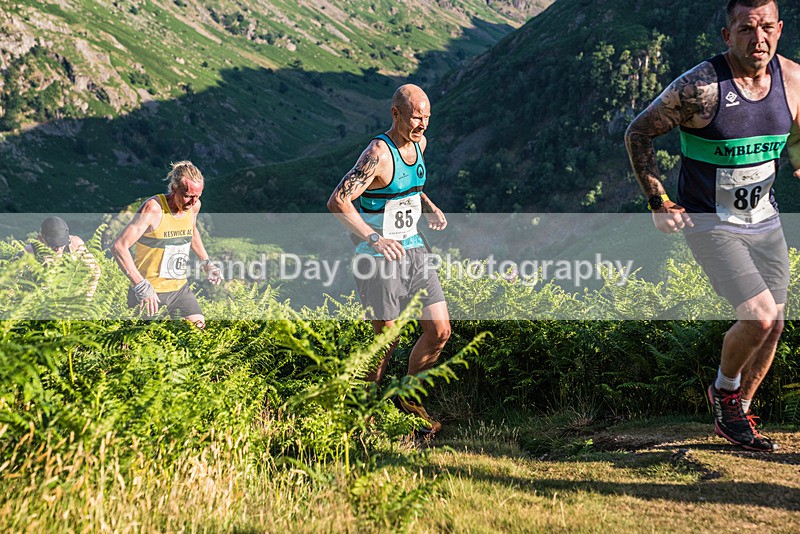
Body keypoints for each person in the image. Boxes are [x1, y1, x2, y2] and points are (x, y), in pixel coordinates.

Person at [625, 0, 800, 451]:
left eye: (765, 28)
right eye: (745, 29)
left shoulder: (794, 80)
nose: (757, 39)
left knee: (775, 323)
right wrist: (658, 199)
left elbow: (797, 130)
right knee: (758, 317)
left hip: (765, 218)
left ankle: (736, 416)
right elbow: (638, 132)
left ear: (779, 29)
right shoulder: (701, 88)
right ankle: (724, 393)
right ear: (728, 35)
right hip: (711, 222)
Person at [327, 84, 451, 436]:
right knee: (386, 341)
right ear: (395, 114)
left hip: (415, 250)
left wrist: (429, 206)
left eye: (426, 118)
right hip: (379, 257)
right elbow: (337, 201)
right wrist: (374, 237)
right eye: (415, 117)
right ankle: (363, 419)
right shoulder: (377, 153)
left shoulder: (420, 144)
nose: (422, 125)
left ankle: (408, 400)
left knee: (440, 331)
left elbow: (408, 185)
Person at [112, 161, 222, 328]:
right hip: (150, 291)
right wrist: (141, 286)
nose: (192, 202)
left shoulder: (193, 207)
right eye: (187, 195)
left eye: (197, 196)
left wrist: (207, 264)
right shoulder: (153, 209)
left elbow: (191, 231)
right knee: (135, 347)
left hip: (179, 290)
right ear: (174, 188)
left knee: (198, 332)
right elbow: (119, 246)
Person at [21, 216, 101, 301]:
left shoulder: (75, 245)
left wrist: (86, 300)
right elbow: (10, 283)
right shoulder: (29, 252)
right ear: (41, 239)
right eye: (53, 245)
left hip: (70, 303)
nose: (59, 249)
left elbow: (95, 270)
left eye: (62, 244)